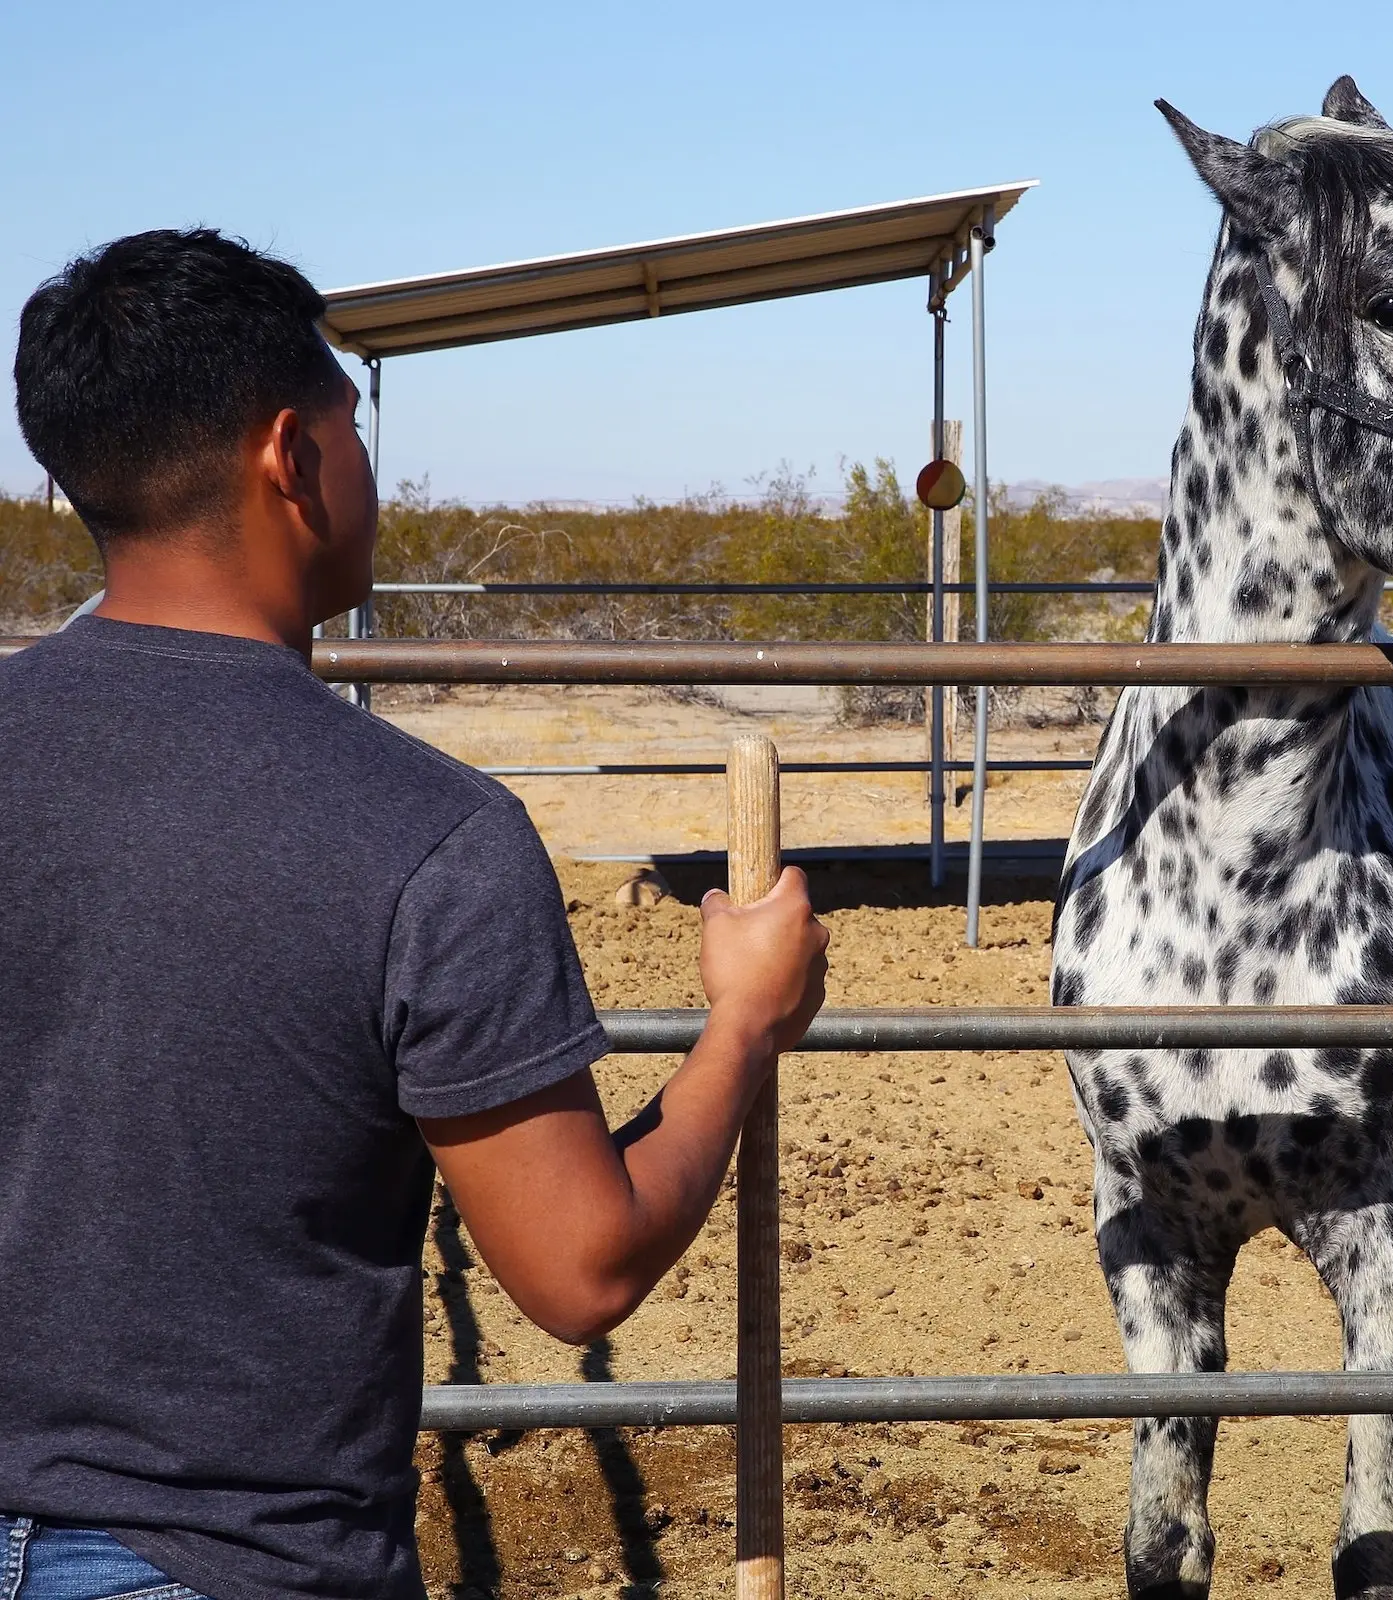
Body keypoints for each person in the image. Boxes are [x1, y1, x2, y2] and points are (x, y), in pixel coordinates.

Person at [0, 230, 831, 1600]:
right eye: (351, 422)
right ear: (290, 456)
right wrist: (741, 1026)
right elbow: (580, 1267)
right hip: (233, 1563)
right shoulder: (425, 834)